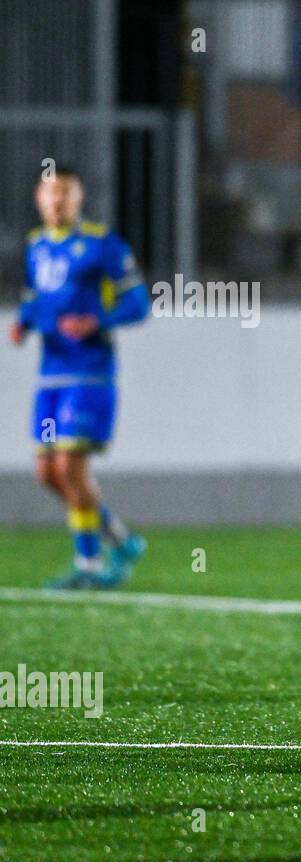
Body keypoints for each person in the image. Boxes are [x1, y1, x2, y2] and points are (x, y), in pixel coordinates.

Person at [9, 167, 149, 589]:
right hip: (50, 376)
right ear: (38, 197)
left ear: (79, 198)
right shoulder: (36, 247)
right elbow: (36, 298)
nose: (57, 201)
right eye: (51, 193)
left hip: (89, 374)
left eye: (66, 193)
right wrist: (24, 322)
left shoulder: (100, 244)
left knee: (70, 464)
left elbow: (139, 302)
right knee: (48, 473)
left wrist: (97, 320)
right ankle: (122, 542)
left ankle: (88, 565)